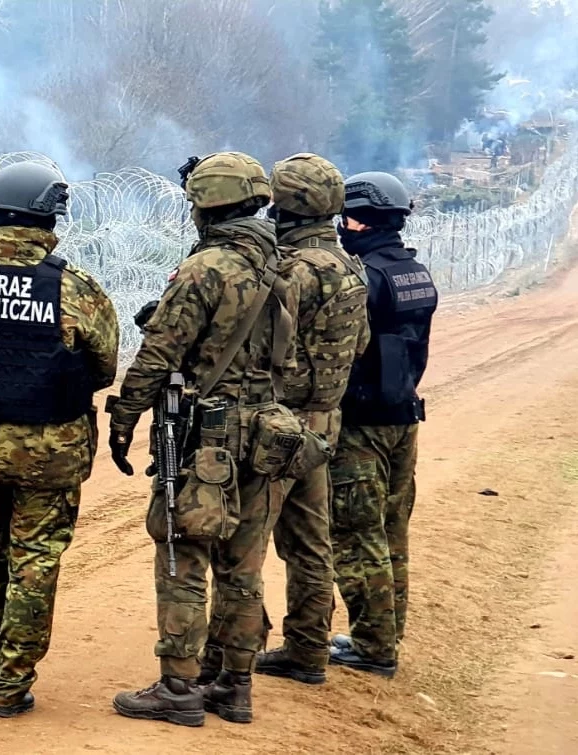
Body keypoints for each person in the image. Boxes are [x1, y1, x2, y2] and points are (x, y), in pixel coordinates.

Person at [0, 160, 120, 718]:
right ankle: (8, 684)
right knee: (35, 560)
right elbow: (104, 366)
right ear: (52, 215)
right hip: (51, 449)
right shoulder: (75, 288)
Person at [107, 152, 296, 727]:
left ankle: (178, 686)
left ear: (206, 205)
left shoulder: (206, 268)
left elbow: (159, 354)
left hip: (204, 433)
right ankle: (234, 686)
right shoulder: (282, 266)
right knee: (244, 566)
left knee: (182, 553)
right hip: (266, 430)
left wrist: (124, 416)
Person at [254, 154, 370, 686]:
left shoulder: (288, 270)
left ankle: (235, 649)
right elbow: (360, 342)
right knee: (310, 543)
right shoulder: (351, 267)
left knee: (243, 539)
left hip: (276, 425)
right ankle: (307, 650)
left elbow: (256, 347)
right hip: (324, 423)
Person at [328, 171, 438, 678]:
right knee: (392, 532)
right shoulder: (414, 272)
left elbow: (339, 349)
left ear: (360, 219)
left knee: (356, 535)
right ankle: (385, 635)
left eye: (344, 218)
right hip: (403, 417)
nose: (340, 227)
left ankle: (373, 647)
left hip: (362, 423)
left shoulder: (364, 278)